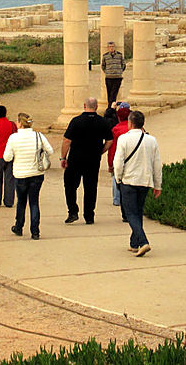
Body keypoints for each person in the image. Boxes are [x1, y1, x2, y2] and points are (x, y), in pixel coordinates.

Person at [113, 110, 162, 257]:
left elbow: (118, 162)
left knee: (130, 213)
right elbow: (157, 164)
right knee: (138, 211)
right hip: (145, 181)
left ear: (130, 123)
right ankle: (134, 243)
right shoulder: (151, 140)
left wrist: (118, 178)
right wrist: (158, 185)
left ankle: (143, 241)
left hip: (129, 180)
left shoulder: (123, 139)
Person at [60, 97, 113, 225]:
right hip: (93, 159)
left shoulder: (76, 121)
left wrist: (63, 157)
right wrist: (100, 151)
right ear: (96, 106)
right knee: (90, 187)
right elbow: (110, 141)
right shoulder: (103, 122)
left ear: (84, 106)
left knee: (70, 185)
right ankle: (89, 215)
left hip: (75, 159)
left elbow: (67, 141)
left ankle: (73, 211)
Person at [3, 112, 53, 240]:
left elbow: (7, 157)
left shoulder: (13, 138)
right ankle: (35, 231)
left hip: (20, 174)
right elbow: (50, 151)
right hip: (37, 173)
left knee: (21, 202)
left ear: (19, 123)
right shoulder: (38, 136)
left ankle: (19, 226)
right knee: (34, 202)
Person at [107, 102, 131, 215]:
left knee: (116, 178)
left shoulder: (116, 129)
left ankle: (117, 199)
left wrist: (110, 163)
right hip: (132, 159)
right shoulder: (136, 129)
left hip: (118, 158)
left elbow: (112, 148)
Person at [100, 41, 126, 106]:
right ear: (108, 48)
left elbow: (123, 65)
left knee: (114, 93)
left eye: (112, 46)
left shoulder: (119, 55)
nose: (111, 48)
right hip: (109, 77)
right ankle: (111, 106)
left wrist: (119, 71)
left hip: (117, 77)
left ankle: (110, 106)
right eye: (110, 47)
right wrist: (107, 72)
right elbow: (103, 66)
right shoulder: (105, 56)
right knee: (109, 93)